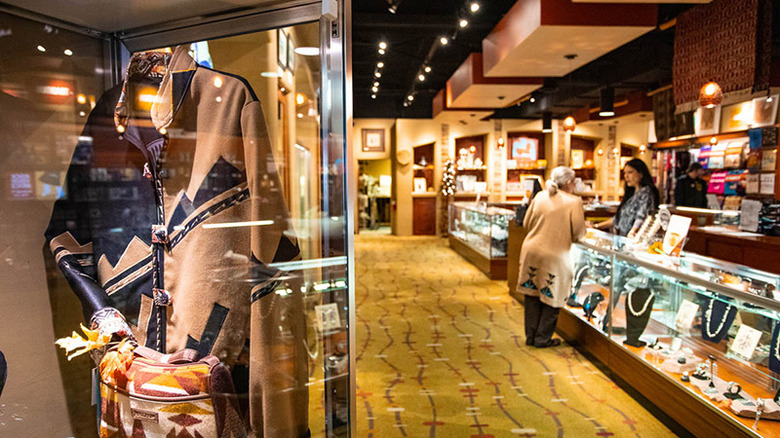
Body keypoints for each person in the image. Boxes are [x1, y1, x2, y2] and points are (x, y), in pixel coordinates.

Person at [517, 166, 586, 347]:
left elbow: (526, 223)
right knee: (553, 294)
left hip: (532, 250)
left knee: (532, 293)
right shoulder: (574, 202)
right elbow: (578, 233)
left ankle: (531, 336)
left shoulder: (540, 197)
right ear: (570, 183)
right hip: (556, 255)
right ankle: (542, 338)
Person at [594, 158, 659, 237]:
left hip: (634, 240)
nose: (626, 176)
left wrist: (632, 232)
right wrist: (596, 226)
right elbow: (617, 219)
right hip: (622, 238)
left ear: (641, 173)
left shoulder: (646, 192)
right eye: (625, 173)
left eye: (630, 172)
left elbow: (641, 217)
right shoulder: (631, 194)